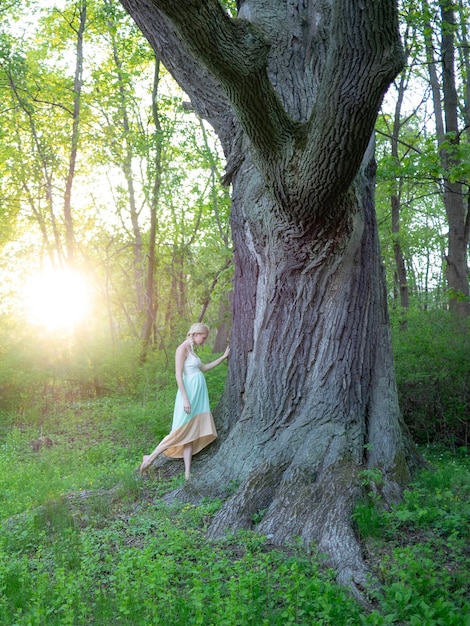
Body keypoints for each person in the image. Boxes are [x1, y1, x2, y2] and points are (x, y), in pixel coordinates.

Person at [139, 323, 230, 479]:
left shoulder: (192, 351)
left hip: (198, 396)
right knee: (179, 431)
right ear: (195, 334)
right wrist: (185, 399)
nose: (204, 340)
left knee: (190, 435)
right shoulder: (181, 349)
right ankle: (151, 457)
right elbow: (178, 375)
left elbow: (205, 368)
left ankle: (187, 474)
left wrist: (223, 357)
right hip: (188, 396)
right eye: (204, 337)